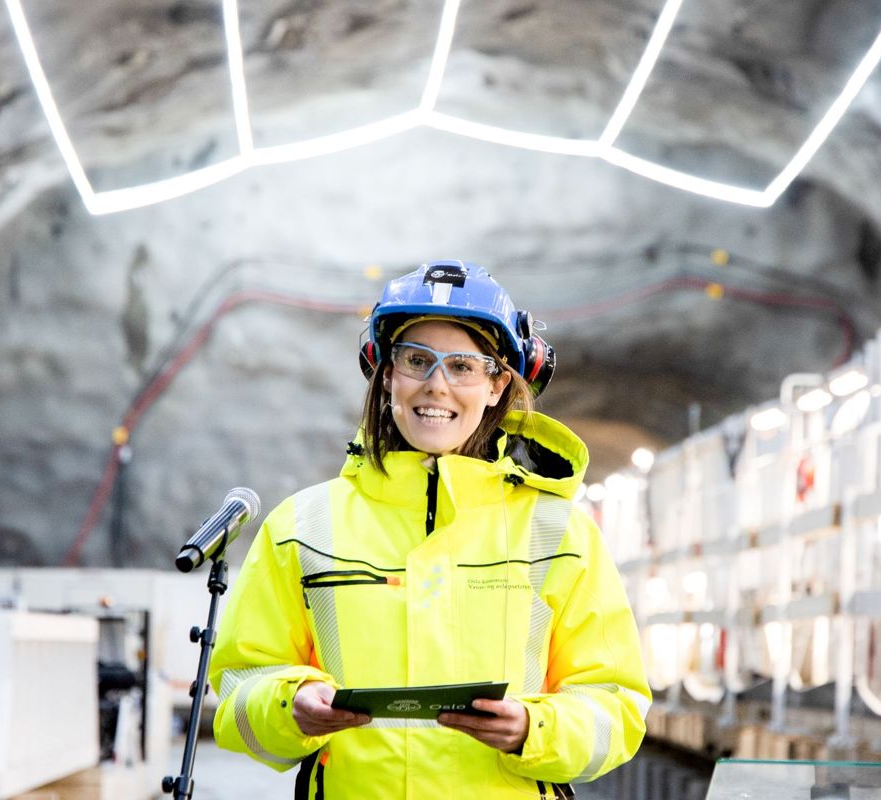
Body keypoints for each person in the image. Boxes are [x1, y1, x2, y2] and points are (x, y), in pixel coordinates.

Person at [209, 260, 649, 798]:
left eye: (463, 366)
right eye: (418, 361)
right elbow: (236, 692)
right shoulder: (302, 528)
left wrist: (534, 729)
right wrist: (288, 705)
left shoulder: (559, 535)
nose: (437, 386)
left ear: (497, 385)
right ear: (387, 374)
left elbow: (616, 707)